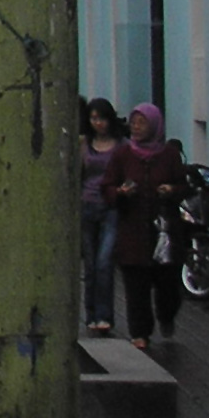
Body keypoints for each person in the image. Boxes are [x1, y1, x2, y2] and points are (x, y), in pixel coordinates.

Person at [106, 101, 186, 349]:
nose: (137, 128)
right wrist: (120, 192)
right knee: (136, 286)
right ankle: (140, 333)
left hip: (164, 233)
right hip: (133, 230)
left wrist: (171, 190)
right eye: (134, 122)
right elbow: (107, 186)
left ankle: (166, 315)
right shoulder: (123, 154)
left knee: (168, 285)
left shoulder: (170, 155)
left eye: (143, 123)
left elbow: (184, 187)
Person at [79, 97, 124, 335]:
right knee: (91, 264)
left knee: (104, 262)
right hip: (87, 205)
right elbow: (78, 173)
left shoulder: (120, 145)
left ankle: (105, 314)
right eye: (94, 118)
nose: (98, 123)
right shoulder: (84, 144)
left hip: (110, 206)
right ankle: (91, 314)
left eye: (102, 118)